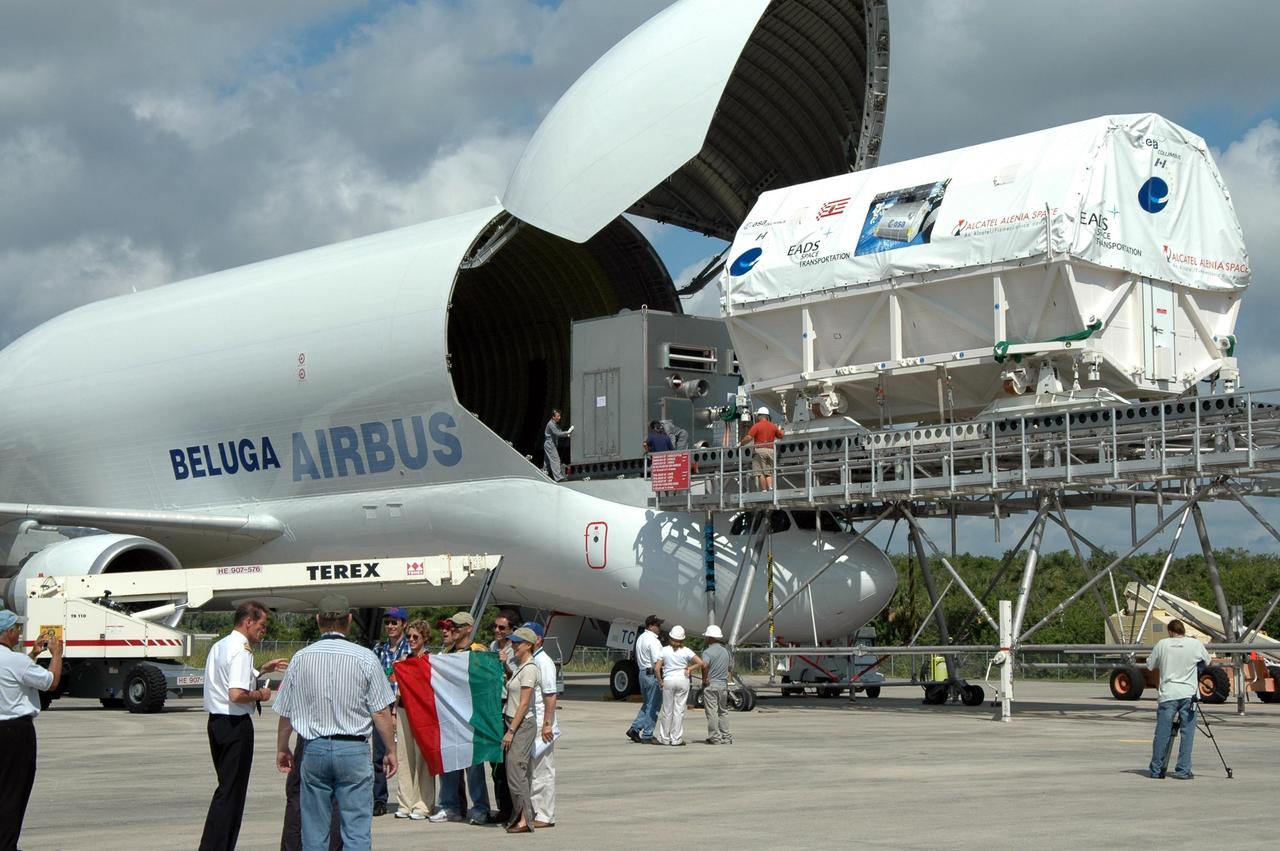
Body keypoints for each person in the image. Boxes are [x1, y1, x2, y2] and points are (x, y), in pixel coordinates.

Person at [275, 594, 397, 851]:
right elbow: (381, 712)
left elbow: (286, 711)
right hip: (353, 749)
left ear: (318, 620)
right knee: (356, 829)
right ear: (349, 620)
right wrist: (390, 750)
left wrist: (282, 747)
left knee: (315, 830)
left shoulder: (301, 658)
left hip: (315, 747)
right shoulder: (365, 658)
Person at [200, 600, 289, 851]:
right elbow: (237, 694)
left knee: (225, 789)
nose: (264, 630)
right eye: (262, 624)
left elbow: (228, 680)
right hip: (235, 725)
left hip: (217, 723)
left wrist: (261, 670)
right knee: (232, 795)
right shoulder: (241, 650)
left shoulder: (220, 646)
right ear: (248, 622)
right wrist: (260, 695)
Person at [0, 609, 63, 851]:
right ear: (8, 632)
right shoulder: (16, 661)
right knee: (13, 791)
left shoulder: (18, 660)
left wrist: (34, 654)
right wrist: (56, 655)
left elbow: (16, 676)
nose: (19, 633)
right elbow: (51, 682)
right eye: (17, 629)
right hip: (15, 732)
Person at [430, 611, 494, 825]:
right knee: (449, 764)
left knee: (474, 767)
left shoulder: (479, 651)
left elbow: (486, 681)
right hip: (450, 718)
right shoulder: (446, 652)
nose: (453, 630)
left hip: (471, 718)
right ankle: (450, 806)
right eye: (451, 626)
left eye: (457, 626)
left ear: (468, 628)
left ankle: (480, 808)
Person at [1146, 619, 1211, 780]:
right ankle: (1183, 770)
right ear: (1183, 630)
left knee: (1162, 733)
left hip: (1168, 694)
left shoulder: (1162, 644)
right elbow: (1207, 661)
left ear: (1170, 631)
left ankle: (1156, 769)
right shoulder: (1194, 644)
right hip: (1189, 694)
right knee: (1187, 733)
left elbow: (1150, 665)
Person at [393, 620, 435, 820]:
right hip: (403, 711)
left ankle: (424, 803)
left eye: (415, 637)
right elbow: (399, 690)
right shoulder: (404, 660)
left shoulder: (430, 660)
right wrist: (393, 713)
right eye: (409, 636)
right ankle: (405, 802)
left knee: (423, 758)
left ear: (425, 638)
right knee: (404, 757)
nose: (411, 640)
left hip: (423, 713)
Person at [371, 606, 411, 817]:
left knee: (407, 756)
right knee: (379, 756)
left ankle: (409, 799)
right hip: (383, 708)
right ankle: (379, 799)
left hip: (406, 708)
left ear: (403, 624)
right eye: (387, 622)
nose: (390, 626)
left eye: (395, 622)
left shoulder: (411, 648)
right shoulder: (378, 650)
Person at [502, 627, 541, 833]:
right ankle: (522, 814)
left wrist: (511, 731)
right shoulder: (520, 666)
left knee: (516, 770)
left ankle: (525, 819)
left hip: (522, 725)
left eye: (517, 642)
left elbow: (524, 704)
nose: (513, 645)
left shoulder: (530, 669)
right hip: (514, 722)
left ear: (528, 644)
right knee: (514, 771)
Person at [521, 622, 559, 828]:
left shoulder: (544, 662)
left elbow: (550, 695)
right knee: (531, 771)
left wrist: (547, 724)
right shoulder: (531, 660)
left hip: (541, 724)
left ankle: (545, 814)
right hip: (530, 724)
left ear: (538, 640)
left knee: (543, 770)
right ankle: (535, 810)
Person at [487, 610, 521, 824]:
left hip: (507, 705)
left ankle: (510, 809)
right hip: (492, 704)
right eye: (495, 627)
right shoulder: (491, 647)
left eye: (502, 628)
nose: (497, 631)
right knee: (494, 762)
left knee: (505, 762)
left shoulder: (515, 649)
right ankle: (501, 806)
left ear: (511, 630)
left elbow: (517, 679)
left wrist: (504, 664)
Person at [653, 625, 703, 746]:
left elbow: (656, 669)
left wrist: (660, 681)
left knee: (667, 710)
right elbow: (701, 662)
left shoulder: (664, 650)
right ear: (682, 639)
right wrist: (690, 668)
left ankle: (664, 738)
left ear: (671, 637)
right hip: (682, 679)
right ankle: (676, 738)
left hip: (669, 680)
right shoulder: (686, 651)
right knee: (679, 710)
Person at [625, 615, 664, 744]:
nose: (659, 628)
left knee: (647, 704)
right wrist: (660, 679)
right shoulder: (654, 641)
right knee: (654, 706)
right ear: (651, 626)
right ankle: (648, 734)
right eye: (658, 625)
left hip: (642, 673)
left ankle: (635, 729)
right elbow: (657, 661)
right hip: (652, 674)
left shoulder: (641, 638)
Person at [700, 625, 733, 744]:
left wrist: (704, 679)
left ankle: (715, 737)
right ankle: (726, 736)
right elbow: (730, 667)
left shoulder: (707, 652)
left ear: (710, 638)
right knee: (723, 711)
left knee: (712, 712)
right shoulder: (725, 651)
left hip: (711, 684)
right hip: (723, 685)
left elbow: (704, 665)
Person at [737, 406, 784, 491]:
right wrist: (783, 429)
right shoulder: (773, 426)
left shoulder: (757, 426)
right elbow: (780, 435)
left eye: (758, 415)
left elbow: (748, 437)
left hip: (759, 450)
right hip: (771, 451)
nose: (757, 417)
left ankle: (764, 490)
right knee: (769, 471)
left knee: (760, 472)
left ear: (760, 416)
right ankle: (770, 487)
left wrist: (741, 444)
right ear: (767, 416)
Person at [543, 409, 573, 482]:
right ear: (553, 417)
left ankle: (544, 474)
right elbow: (557, 433)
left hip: (549, 445)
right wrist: (568, 432)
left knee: (547, 462)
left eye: (560, 416)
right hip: (550, 445)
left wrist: (566, 435)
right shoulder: (551, 424)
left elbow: (559, 432)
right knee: (556, 460)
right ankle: (558, 478)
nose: (559, 417)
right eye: (558, 416)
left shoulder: (555, 424)